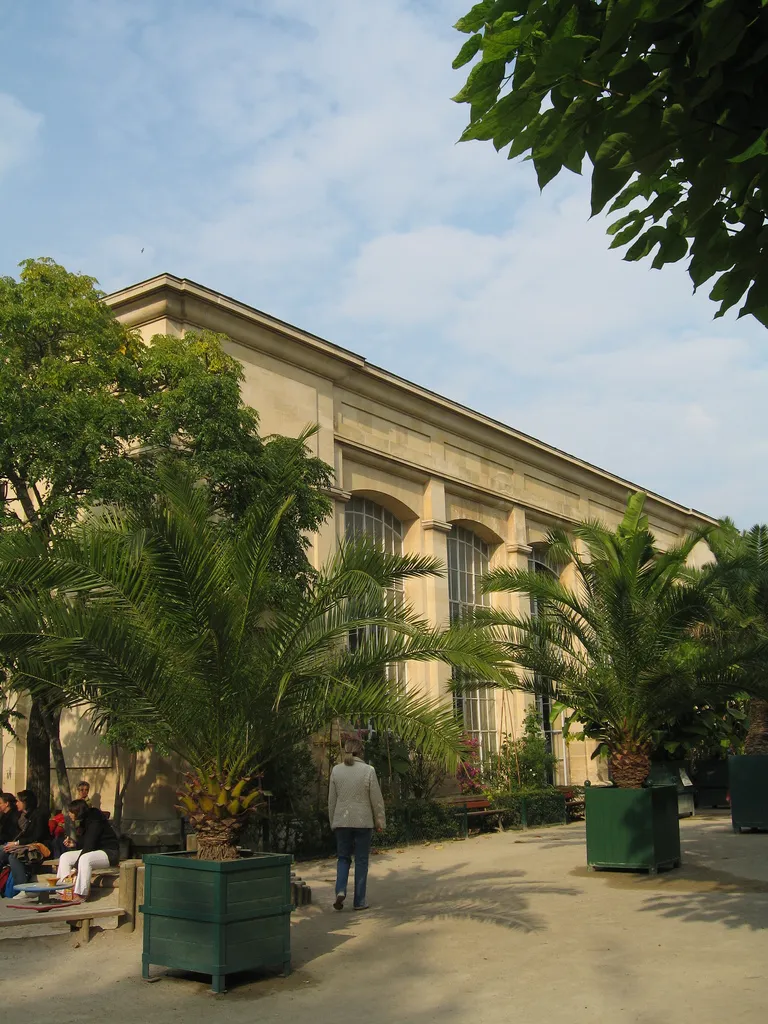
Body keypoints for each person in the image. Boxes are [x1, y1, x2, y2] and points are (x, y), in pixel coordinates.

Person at [328, 736, 386, 912]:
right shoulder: (368, 770)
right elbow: (376, 800)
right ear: (361, 751)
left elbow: (332, 800)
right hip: (363, 822)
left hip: (342, 822)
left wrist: (333, 821)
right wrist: (380, 821)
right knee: (361, 860)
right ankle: (359, 901)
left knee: (343, 858)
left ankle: (340, 890)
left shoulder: (336, 771)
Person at [56, 799, 119, 903]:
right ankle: (65, 892)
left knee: (85, 859)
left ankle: (81, 893)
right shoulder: (83, 821)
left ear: (77, 811)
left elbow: (90, 846)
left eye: (71, 812)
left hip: (109, 852)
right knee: (65, 857)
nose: (69, 814)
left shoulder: (95, 819)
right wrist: (75, 844)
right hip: (93, 852)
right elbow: (86, 844)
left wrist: (74, 869)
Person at [0, 790, 50, 893]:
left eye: (18, 801)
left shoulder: (39, 815)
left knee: (13, 857)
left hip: (39, 847)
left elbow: (37, 836)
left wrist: (16, 844)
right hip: (26, 845)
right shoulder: (26, 815)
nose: (16, 803)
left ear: (26, 802)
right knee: (3, 850)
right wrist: (15, 844)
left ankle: (23, 889)